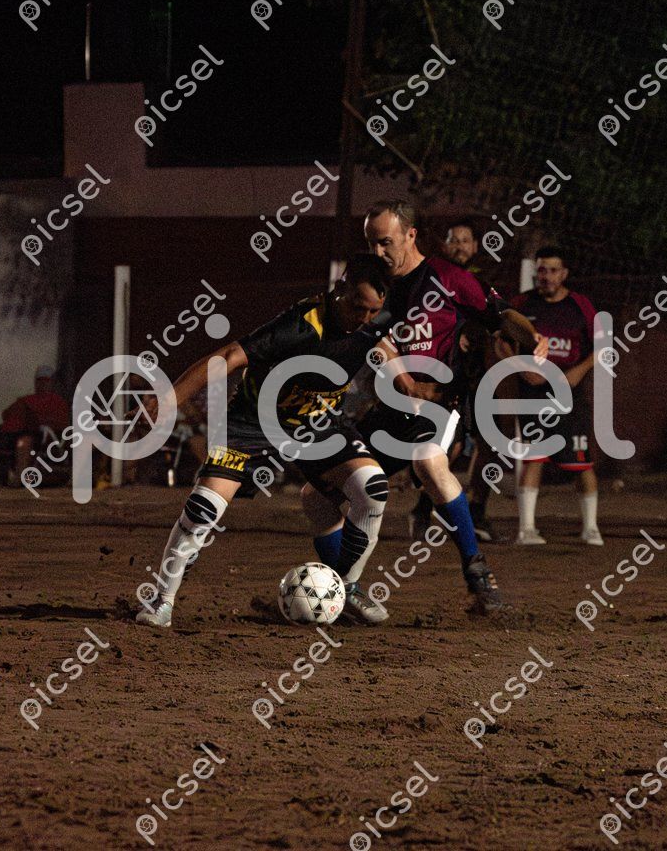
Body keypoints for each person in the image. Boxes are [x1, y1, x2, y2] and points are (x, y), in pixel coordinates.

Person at [301, 200, 548, 615]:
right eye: (371, 243)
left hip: (438, 405)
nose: (378, 252)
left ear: (410, 235)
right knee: (316, 495)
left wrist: (534, 338)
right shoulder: (367, 281)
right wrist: (398, 375)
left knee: (428, 462)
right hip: (388, 410)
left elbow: (503, 314)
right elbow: (371, 337)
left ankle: (479, 576)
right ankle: (341, 590)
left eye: (385, 242)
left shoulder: (449, 279)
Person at [135, 256, 394, 629]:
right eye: (357, 307)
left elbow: (387, 337)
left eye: (374, 311)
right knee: (203, 510)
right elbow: (229, 356)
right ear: (340, 288)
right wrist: (170, 398)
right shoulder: (300, 326)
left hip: (318, 422)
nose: (365, 318)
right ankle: (163, 602)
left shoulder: (378, 321)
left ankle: (347, 586)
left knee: (372, 487)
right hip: (253, 424)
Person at [410, 219, 514, 543]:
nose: (459, 246)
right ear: (444, 245)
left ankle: (477, 510)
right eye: (453, 239)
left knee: (490, 442)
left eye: (466, 240)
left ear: (476, 246)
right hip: (447, 374)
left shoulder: (480, 282)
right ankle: (423, 508)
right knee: (447, 445)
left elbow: (499, 320)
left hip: (480, 375)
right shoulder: (432, 279)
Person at [507, 247, 603, 546]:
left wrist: (577, 372)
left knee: (581, 462)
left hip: (569, 397)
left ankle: (590, 528)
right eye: (541, 270)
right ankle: (527, 529)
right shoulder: (522, 305)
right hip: (533, 396)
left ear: (564, 274)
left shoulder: (580, 306)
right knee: (533, 458)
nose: (545, 276)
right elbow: (501, 341)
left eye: (552, 270)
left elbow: (603, 345)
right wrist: (520, 366)